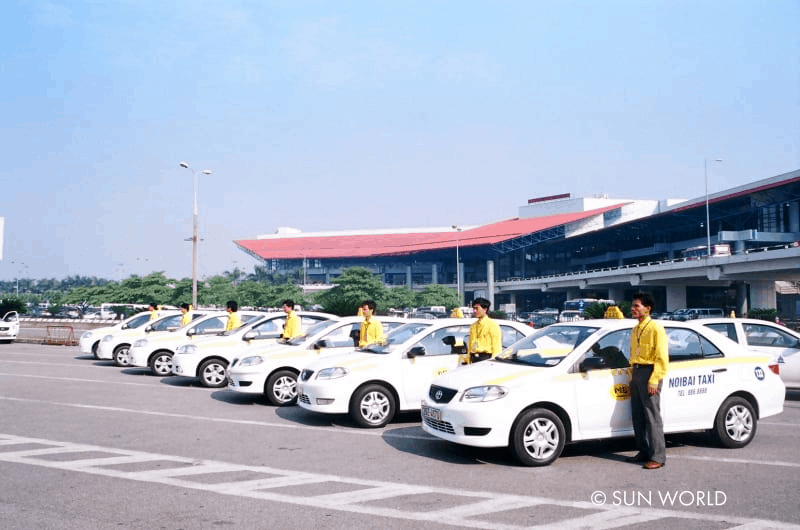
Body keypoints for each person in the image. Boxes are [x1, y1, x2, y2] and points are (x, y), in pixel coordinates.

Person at [627, 292, 669, 470]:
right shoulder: (636, 328)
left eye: (637, 306)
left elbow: (661, 357)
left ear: (648, 308)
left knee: (652, 417)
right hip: (636, 372)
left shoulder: (655, 328)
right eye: (633, 305)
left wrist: (654, 380)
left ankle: (658, 456)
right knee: (638, 416)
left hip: (649, 372)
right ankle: (644, 450)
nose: (633, 309)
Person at [465, 297, 501, 364]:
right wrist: (468, 359)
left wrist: (493, 363)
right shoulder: (473, 325)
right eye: (474, 308)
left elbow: (497, 348)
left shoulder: (492, 325)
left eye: (477, 308)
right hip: (474, 358)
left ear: (485, 309)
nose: (474, 311)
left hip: (485, 358)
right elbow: (470, 345)